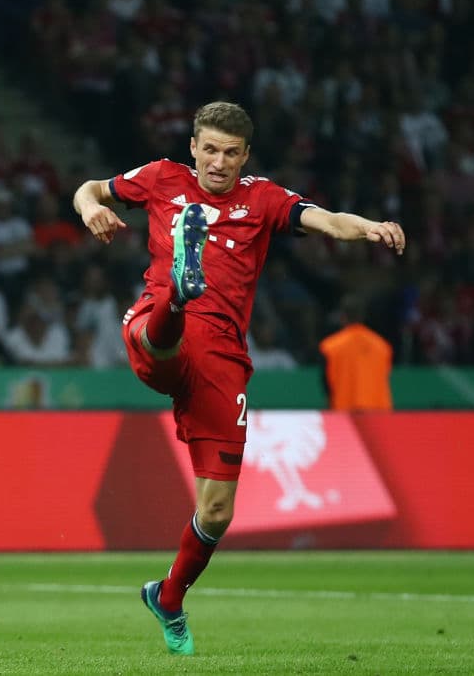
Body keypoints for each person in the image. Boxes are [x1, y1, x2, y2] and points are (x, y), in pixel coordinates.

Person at [72, 101, 405, 655]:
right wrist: (90, 210)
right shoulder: (161, 179)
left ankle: (169, 597)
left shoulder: (263, 198)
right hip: (159, 331)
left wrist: (369, 228)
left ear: (245, 155)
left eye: (231, 152)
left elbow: (325, 220)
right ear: (194, 148)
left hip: (224, 363)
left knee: (218, 511)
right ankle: (179, 291)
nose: (219, 162)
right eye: (210, 150)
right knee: (162, 342)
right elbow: (89, 188)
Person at [319, 295, 394, 410]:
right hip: (379, 412)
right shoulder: (382, 346)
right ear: (362, 316)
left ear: (342, 316)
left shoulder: (330, 346)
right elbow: (386, 375)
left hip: (344, 412)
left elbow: (326, 383)